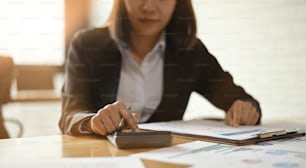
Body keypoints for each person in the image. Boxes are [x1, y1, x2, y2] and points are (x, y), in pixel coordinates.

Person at [59, 0, 261, 136]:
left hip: (165, 163)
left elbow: (243, 100)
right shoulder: (87, 45)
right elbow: (70, 115)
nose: (149, 6)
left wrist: (245, 109)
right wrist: (93, 121)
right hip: (102, 161)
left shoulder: (191, 52)